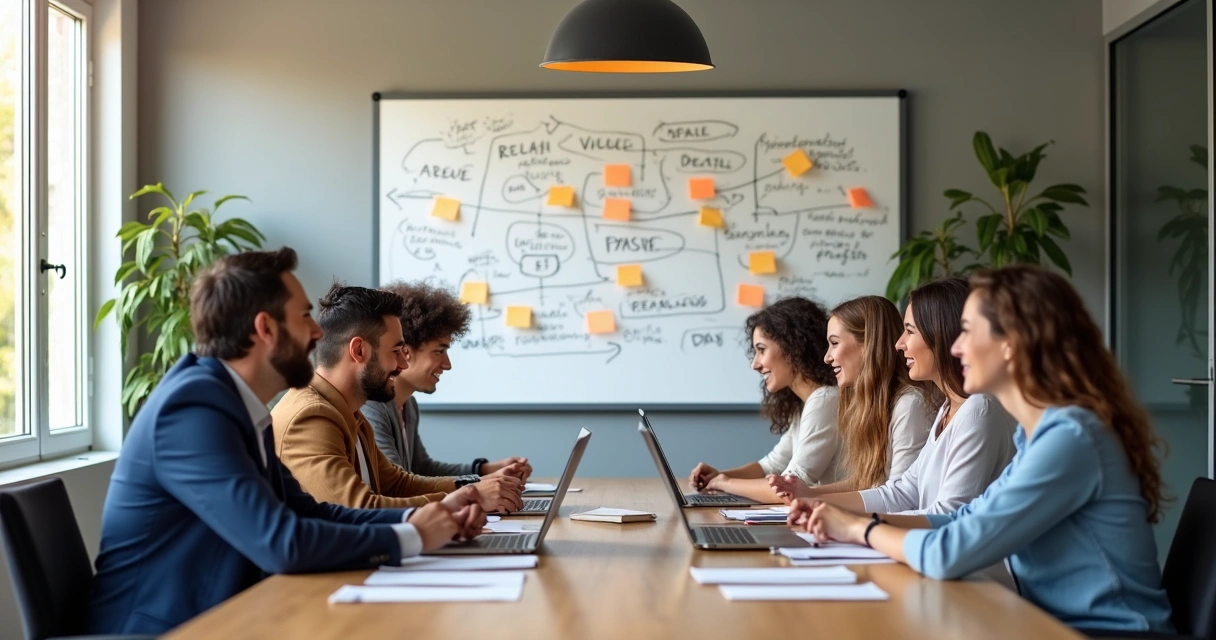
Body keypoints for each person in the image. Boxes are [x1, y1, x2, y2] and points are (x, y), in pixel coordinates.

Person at [88, 248, 486, 635]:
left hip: (228, 616)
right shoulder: (192, 409)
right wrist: (414, 536)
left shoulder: (235, 404)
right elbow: (280, 542)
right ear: (265, 328)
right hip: (166, 629)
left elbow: (312, 513)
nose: (317, 332)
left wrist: (415, 519)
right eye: (304, 316)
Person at [791, 265, 1174, 634]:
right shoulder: (1039, 434)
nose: (955, 346)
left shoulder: (1070, 437)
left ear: (1010, 343)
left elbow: (949, 551)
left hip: (1104, 632)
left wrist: (860, 528)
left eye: (967, 331)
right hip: (1047, 622)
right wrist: (841, 518)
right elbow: (966, 517)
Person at [772, 278, 1015, 515]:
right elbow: (902, 492)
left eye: (909, 331)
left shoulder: (978, 410)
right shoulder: (948, 410)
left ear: (940, 335)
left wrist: (856, 527)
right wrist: (816, 501)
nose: (899, 344)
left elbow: (947, 515)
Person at [271, 284, 523, 513]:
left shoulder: (348, 410)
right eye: (396, 351)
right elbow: (359, 508)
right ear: (359, 351)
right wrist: (469, 498)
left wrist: (472, 485)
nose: (403, 363)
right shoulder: (312, 416)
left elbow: (397, 484)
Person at [363, 280, 532, 484]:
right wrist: (479, 484)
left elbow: (422, 468)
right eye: (439, 351)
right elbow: (397, 485)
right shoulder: (373, 407)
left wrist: (485, 470)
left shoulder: (408, 405)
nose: (447, 364)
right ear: (404, 351)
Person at [772, 295, 934, 499]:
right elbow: (870, 482)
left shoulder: (910, 405)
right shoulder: (867, 405)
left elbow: (900, 497)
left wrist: (816, 499)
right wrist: (806, 493)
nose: (827, 357)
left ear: (868, 344)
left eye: (834, 343)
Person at [686, 297, 841, 503]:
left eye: (761, 350)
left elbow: (792, 486)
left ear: (792, 348)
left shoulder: (825, 400)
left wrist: (726, 483)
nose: (755, 364)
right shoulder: (806, 404)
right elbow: (771, 465)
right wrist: (719, 476)